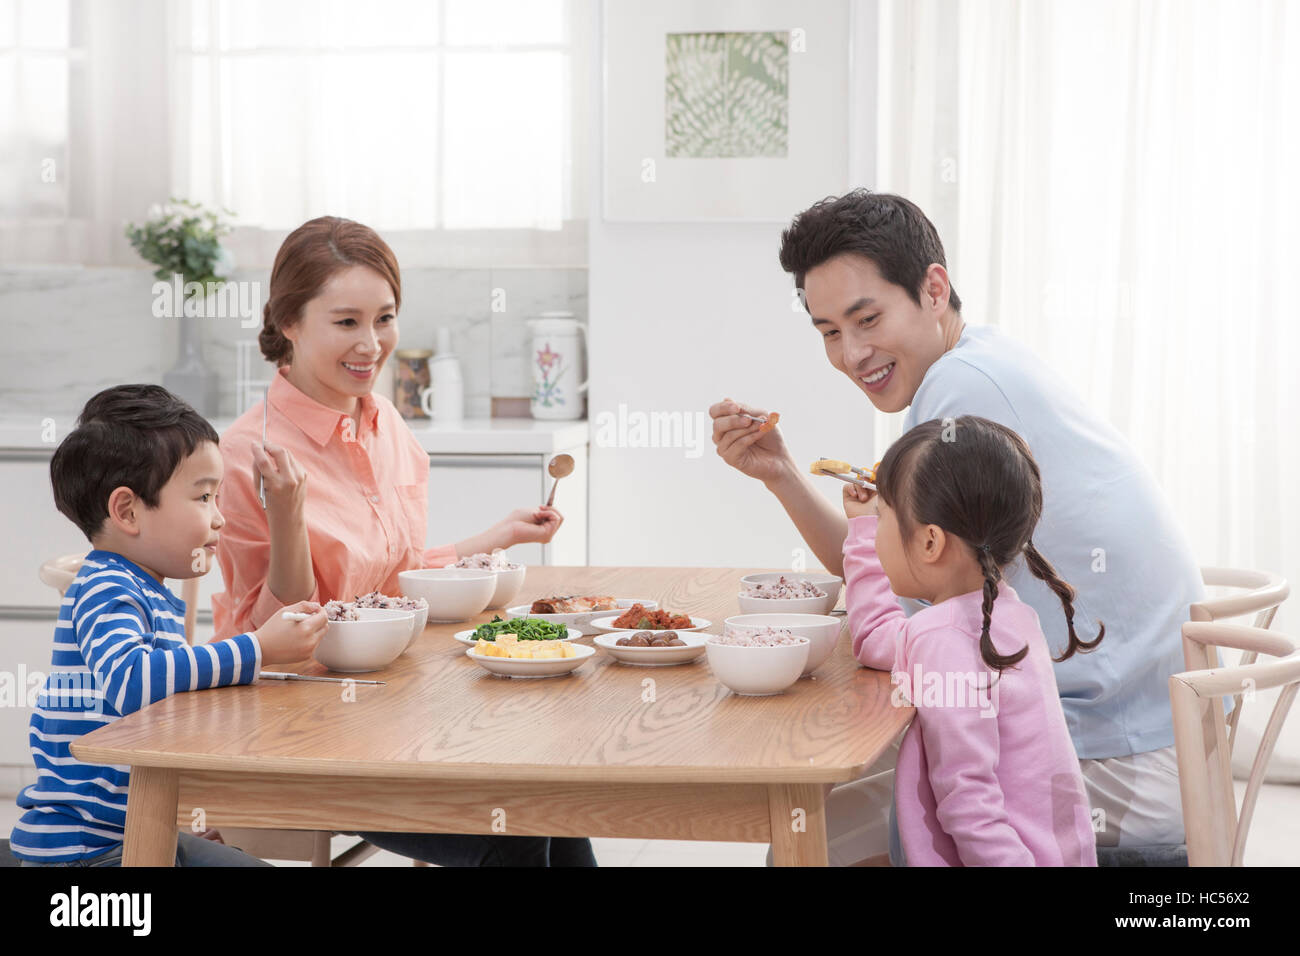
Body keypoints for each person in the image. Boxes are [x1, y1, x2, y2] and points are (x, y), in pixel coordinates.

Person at [713, 190, 1203, 860]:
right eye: (829, 332)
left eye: (866, 318)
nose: (852, 354)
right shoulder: (977, 359)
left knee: (811, 836)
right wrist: (783, 475)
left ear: (933, 288)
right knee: (836, 818)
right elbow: (905, 568)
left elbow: (898, 591)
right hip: (1152, 740)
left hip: (1120, 760)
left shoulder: (959, 395)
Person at [212, 215, 594, 866]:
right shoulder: (250, 452)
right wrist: (289, 515)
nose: (372, 344)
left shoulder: (384, 420)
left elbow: (392, 581)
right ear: (288, 324)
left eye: (384, 318)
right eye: (346, 321)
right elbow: (276, 645)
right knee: (522, 823)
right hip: (302, 729)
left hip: (397, 702)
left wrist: (496, 537)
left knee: (546, 786)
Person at [10, 385, 327, 866]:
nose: (219, 518)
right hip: (88, 851)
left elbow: (161, 719)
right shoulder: (106, 586)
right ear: (128, 511)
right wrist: (257, 647)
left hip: (145, 824)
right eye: (203, 497)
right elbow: (132, 681)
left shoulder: (147, 590)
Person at [843, 416, 1100, 865]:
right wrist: (866, 529)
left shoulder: (943, 642)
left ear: (930, 543)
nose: (876, 526)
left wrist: (864, 539)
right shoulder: (1009, 614)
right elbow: (876, 639)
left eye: (883, 516)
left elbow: (968, 802)